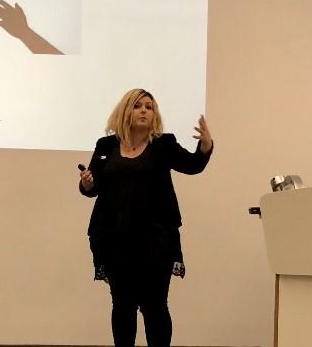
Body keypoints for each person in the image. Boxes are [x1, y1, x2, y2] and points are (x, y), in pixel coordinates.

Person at [78, 88, 213, 347]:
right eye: (138, 105)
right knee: (122, 305)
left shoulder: (164, 145)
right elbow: (92, 189)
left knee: (155, 306)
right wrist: (86, 183)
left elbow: (193, 165)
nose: (144, 111)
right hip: (114, 239)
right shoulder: (105, 146)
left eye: (149, 107)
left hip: (156, 241)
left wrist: (205, 146)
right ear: (126, 111)